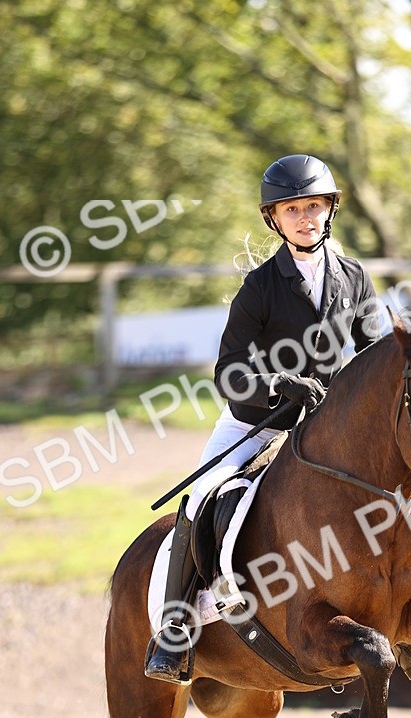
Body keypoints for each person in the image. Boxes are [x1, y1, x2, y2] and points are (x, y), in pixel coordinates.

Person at [145, 153, 382, 684]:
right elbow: (228, 371)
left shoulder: (355, 279)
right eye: (293, 209)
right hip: (255, 425)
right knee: (200, 501)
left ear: (329, 211)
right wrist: (279, 385)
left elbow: (373, 357)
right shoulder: (260, 287)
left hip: (321, 428)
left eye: (315, 207)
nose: (306, 218)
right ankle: (174, 632)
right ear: (274, 219)